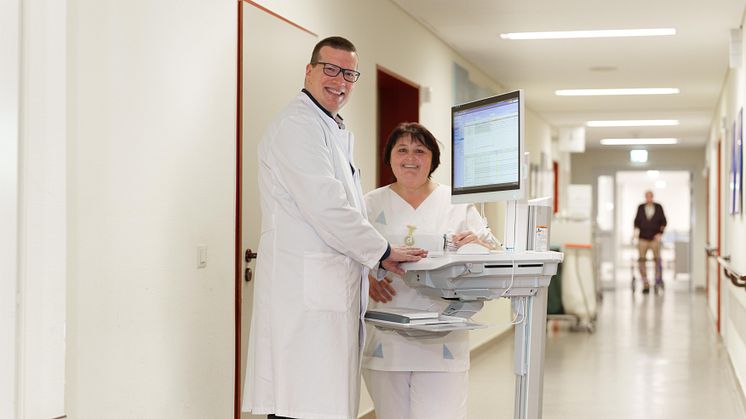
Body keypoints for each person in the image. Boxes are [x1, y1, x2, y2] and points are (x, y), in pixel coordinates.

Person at [242, 37, 426, 419]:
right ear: (309, 71)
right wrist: (383, 252)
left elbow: (343, 211)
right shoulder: (297, 125)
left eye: (348, 73)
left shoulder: (331, 128)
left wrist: (375, 256)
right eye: (330, 69)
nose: (339, 80)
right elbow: (328, 208)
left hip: (325, 292)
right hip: (305, 296)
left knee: (318, 401)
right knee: (302, 402)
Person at [362, 122, 496, 419]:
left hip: (444, 336)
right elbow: (348, 255)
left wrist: (479, 245)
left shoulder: (456, 204)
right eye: (403, 150)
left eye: (420, 150)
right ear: (390, 157)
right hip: (385, 337)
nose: (411, 157)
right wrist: (366, 277)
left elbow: (491, 256)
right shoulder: (369, 204)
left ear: (432, 159)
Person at [634, 190, 667, 293]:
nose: (648, 198)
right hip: (643, 238)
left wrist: (660, 234)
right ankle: (645, 283)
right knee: (641, 260)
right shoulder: (640, 207)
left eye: (650, 196)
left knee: (657, 260)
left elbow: (664, 222)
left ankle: (657, 281)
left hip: (654, 239)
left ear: (652, 197)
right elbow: (636, 222)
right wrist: (635, 233)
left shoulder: (658, 207)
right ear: (645, 197)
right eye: (647, 196)